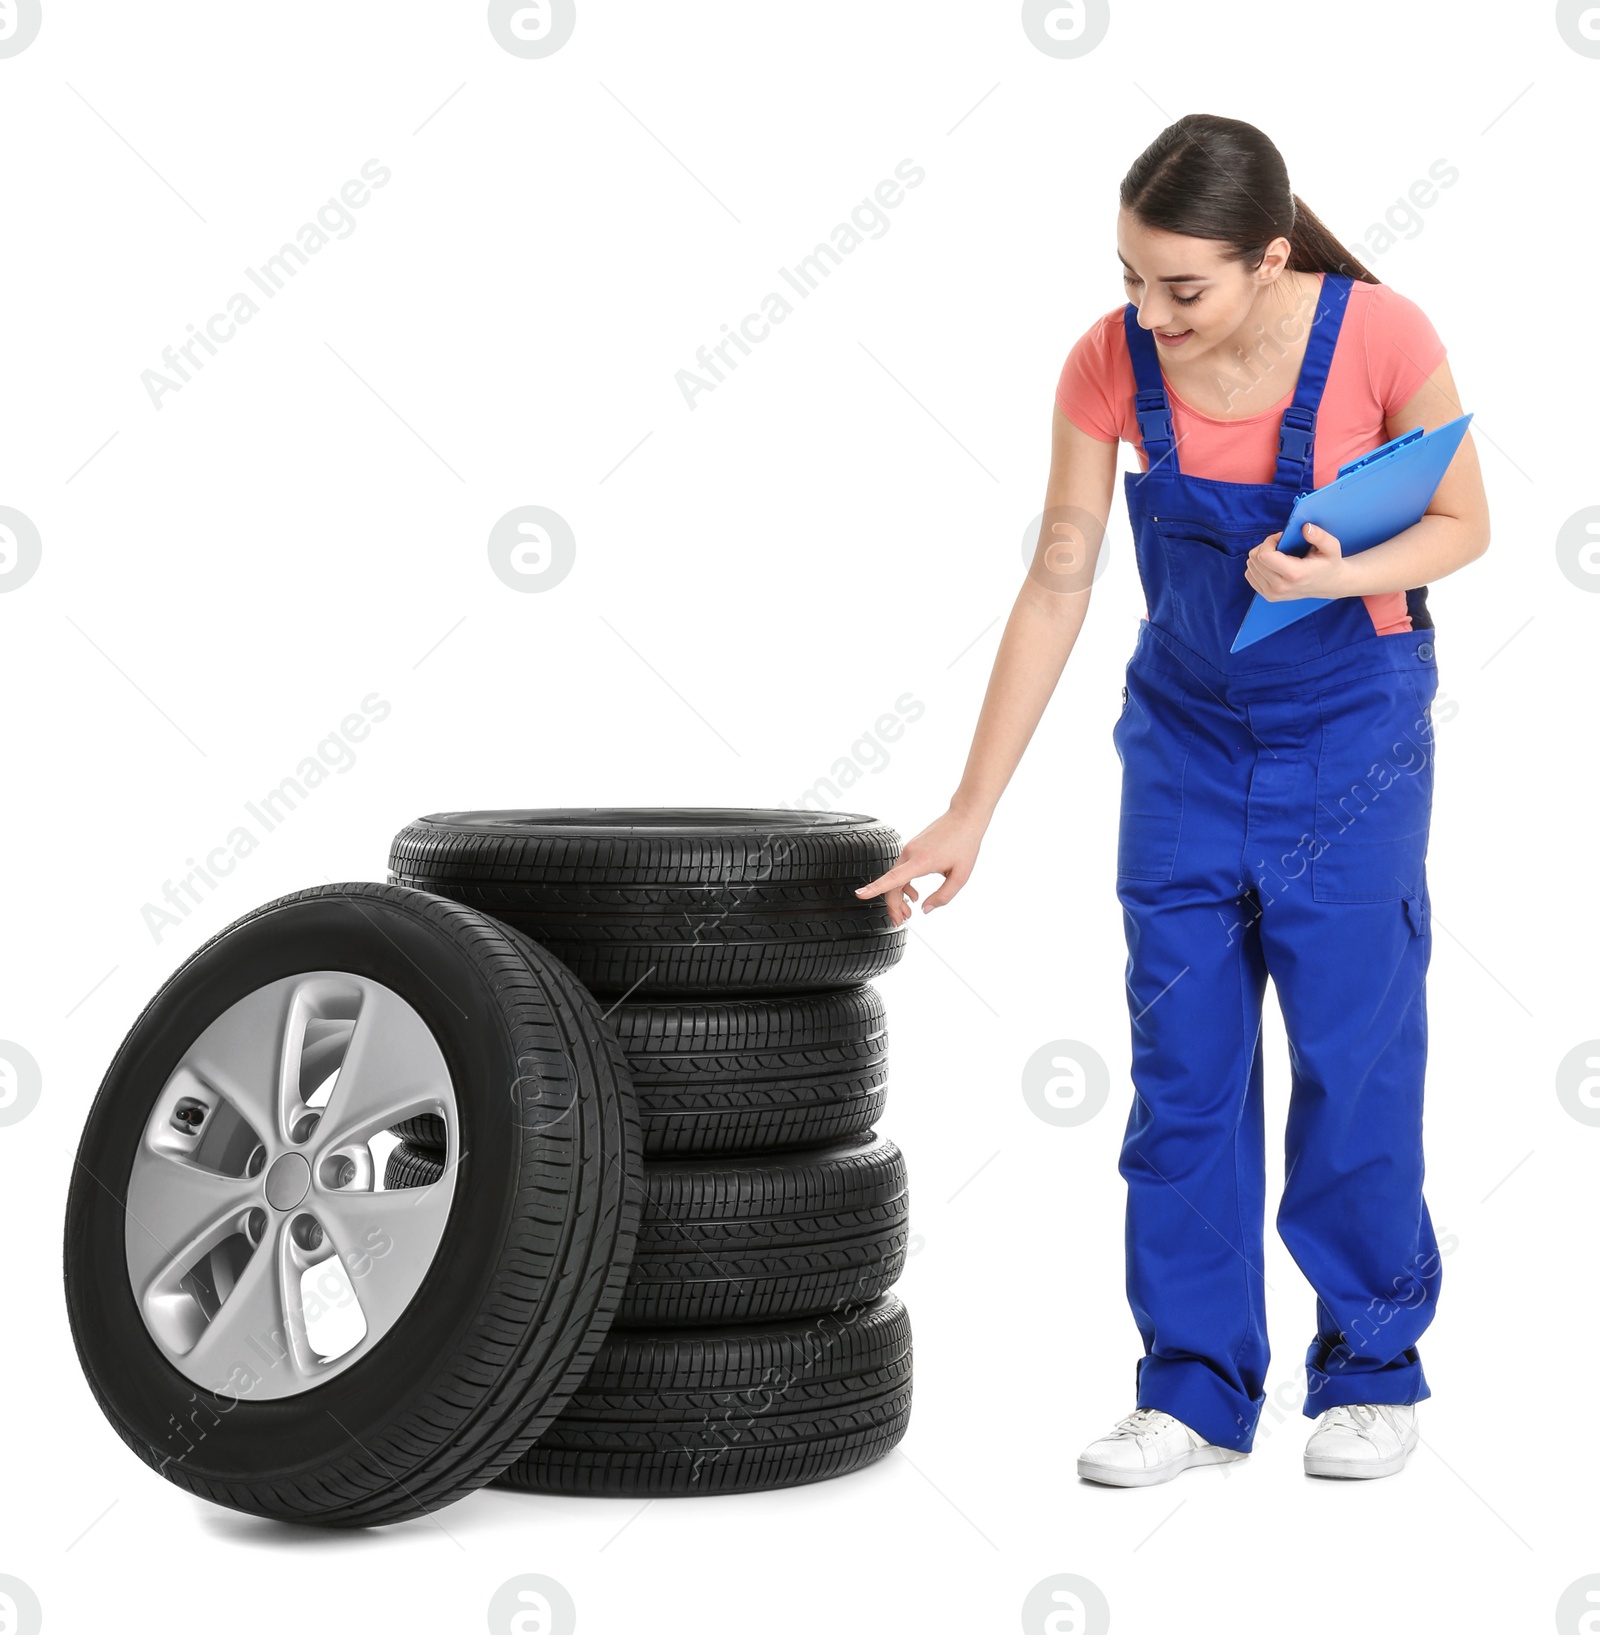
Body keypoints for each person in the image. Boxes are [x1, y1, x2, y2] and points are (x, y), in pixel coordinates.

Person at [855, 113, 1489, 1486]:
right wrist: (973, 808)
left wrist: (1325, 577)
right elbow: (1061, 577)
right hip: (1187, 749)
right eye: (1132, 277)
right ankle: (1196, 1392)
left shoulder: (1380, 336)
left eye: (1181, 287)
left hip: (1353, 735)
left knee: (1353, 1062)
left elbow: (1465, 525)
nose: (1149, 311)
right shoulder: (1109, 361)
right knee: (1183, 1075)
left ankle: (1371, 1373)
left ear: (1270, 258)